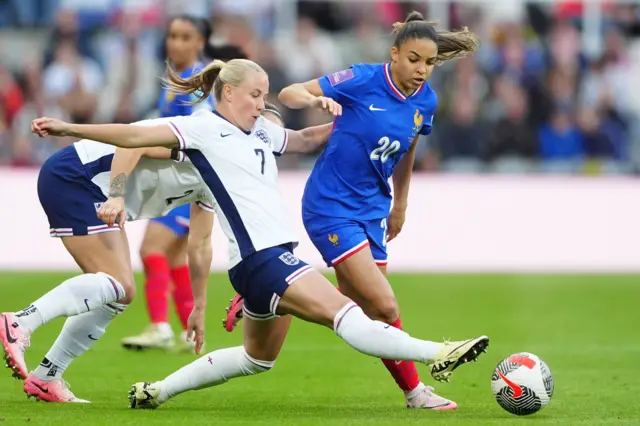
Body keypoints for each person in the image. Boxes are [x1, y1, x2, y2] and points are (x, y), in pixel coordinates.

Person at [30, 57, 489, 410]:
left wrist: (352, 117)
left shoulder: (260, 134)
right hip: (267, 260)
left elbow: (307, 140)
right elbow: (132, 135)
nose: (262, 103)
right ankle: (438, 352)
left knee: (257, 359)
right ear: (227, 93)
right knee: (346, 314)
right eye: (255, 94)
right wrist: (70, 128)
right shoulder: (203, 129)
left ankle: (156, 391)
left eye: (265, 94)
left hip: (259, 264)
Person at [275, 11, 480, 409]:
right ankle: (418, 390)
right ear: (395, 54)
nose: (422, 70)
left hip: (373, 209)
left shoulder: (427, 100)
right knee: (385, 305)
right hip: (330, 207)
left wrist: (400, 204)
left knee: (367, 311)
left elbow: (409, 149)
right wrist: (316, 99)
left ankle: (277, 295)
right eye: (414, 59)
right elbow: (289, 93)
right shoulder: (363, 78)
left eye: (430, 62)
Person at [122, 15, 247, 352]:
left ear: (199, 43)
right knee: (176, 260)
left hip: (189, 180)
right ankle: (187, 334)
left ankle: (159, 325)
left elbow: (195, 137)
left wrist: (145, 148)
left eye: (184, 36)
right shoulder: (178, 80)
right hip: (183, 181)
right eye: (172, 35)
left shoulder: (200, 81)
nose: (175, 42)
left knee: (150, 250)